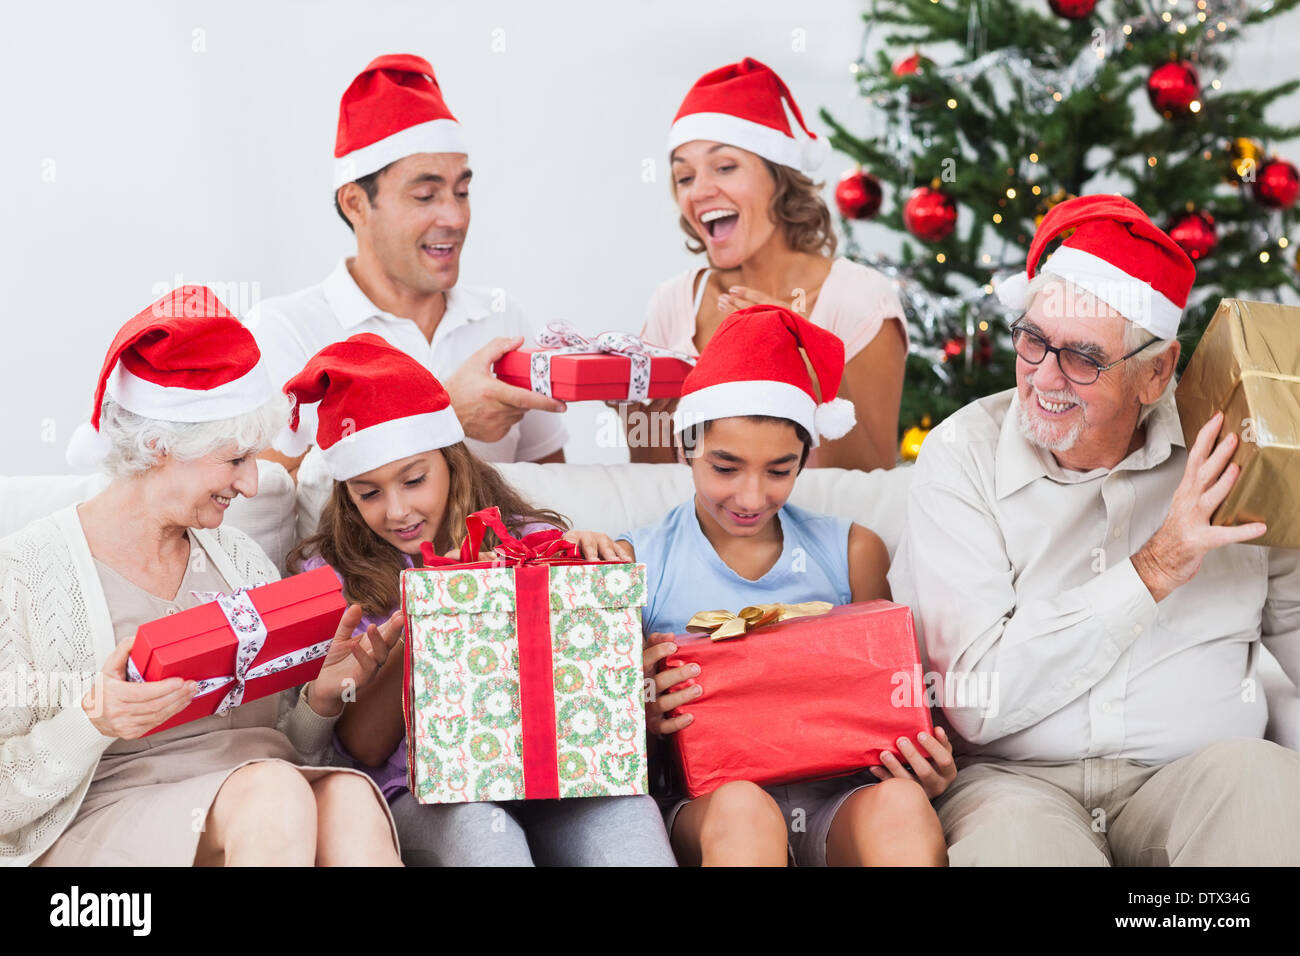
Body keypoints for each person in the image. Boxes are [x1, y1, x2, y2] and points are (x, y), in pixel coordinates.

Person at [888, 195, 1300, 866]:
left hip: (1189, 774)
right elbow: (975, 699)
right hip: (1014, 784)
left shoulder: (1228, 451)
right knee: (1019, 852)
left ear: (1156, 372)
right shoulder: (961, 454)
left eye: (1082, 357)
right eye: (1033, 341)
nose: (1044, 379)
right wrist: (1152, 571)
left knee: (1270, 789)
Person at [1, 288, 404, 867]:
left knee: (346, 796)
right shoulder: (23, 572)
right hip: (108, 814)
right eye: (235, 459)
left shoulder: (238, 557)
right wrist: (92, 721)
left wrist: (320, 697)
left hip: (259, 795)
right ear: (160, 446)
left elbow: (291, 744)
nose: (249, 484)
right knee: (274, 791)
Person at [280, 333, 676, 867]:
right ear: (347, 495)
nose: (397, 511)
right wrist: (436, 613)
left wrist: (585, 576)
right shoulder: (334, 578)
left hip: (560, 779)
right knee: (485, 834)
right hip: (430, 795)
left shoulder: (529, 542)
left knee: (631, 818)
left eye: (414, 479)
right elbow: (367, 749)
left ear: (451, 460)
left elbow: (597, 708)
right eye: (369, 492)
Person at [617, 305, 953, 866]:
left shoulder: (852, 552)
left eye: (779, 471)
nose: (751, 498)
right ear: (685, 448)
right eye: (725, 468)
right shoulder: (636, 561)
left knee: (901, 805)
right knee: (744, 812)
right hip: (711, 807)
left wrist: (925, 759)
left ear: (805, 459)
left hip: (839, 800)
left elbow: (891, 699)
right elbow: (602, 740)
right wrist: (642, 713)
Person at [248, 54, 567, 479]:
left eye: (462, 191)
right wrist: (442, 412)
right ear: (356, 204)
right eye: (425, 196)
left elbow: (552, 497)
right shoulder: (286, 331)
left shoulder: (501, 318)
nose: (454, 218)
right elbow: (264, 502)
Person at [621, 58, 907, 472]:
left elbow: (871, 481)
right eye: (684, 177)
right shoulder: (673, 303)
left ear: (779, 180)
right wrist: (634, 413)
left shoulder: (860, 300)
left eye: (724, 167)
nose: (699, 191)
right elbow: (652, 480)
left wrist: (805, 362)